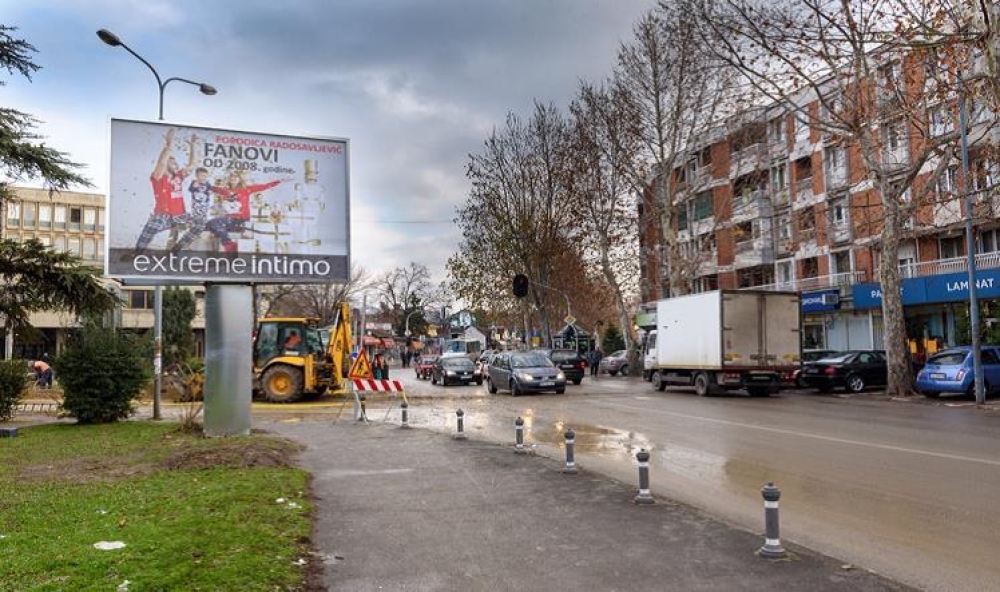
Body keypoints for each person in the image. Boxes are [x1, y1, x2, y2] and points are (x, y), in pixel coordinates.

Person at [134, 129, 196, 252]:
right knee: (146, 235)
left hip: (180, 215)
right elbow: (161, 163)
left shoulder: (178, 176)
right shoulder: (158, 177)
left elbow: (192, 165)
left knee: (199, 225)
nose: (176, 165)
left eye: (175, 163)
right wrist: (168, 146)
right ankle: (136, 254)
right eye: (173, 163)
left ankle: (175, 250)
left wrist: (192, 146)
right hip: (162, 215)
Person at [206, 171, 291, 253]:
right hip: (229, 220)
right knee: (209, 224)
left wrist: (279, 181)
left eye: (236, 176)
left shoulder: (246, 189)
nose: (233, 178)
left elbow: (264, 186)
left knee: (214, 222)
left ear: (240, 178)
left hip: (241, 220)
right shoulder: (225, 191)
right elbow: (212, 188)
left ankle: (228, 245)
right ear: (228, 179)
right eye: (231, 176)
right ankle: (227, 245)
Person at [170, 167, 215, 252]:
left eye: (205, 176)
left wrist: (210, 192)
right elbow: (191, 189)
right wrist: (195, 186)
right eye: (202, 176)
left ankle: (182, 244)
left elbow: (210, 190)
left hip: (205, 208)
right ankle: (180, 245)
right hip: (197, 208)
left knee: (200, 227)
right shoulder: (195, 182)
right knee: (199, 226)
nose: (204, 177)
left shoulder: (207, 183)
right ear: (197, 176)